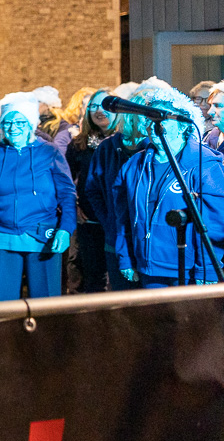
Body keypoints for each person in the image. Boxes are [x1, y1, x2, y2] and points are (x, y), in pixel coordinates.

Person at [114, 88, 224, 287]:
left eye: (161, 119)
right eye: (148, 120)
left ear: (183, 126)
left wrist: (205, 268)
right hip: (147, 268)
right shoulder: (133, 166)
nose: (153, 125)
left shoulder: (203, 164)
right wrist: (126, 257)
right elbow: (123, 218)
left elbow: (215, 221)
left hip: (189, 270)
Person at [0, 93, 76, 301]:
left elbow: (67, 194)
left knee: (45, 306)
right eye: (7, 122)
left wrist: (65, 230)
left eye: (20, 121)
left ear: (30, 123)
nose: (13, 127)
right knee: (2, 307)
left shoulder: (50, 152)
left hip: (42, 235)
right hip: (1, 237)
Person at [84, 84, 150, 291]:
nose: (135, 119)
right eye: (130, 114)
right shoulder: (107, 148)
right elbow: (93, 189)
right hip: (116, 239)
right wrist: (108, 220)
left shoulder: (154, 147)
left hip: (149, 241)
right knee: (124, 301)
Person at [64, 89, 116, 293]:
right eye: (93, 106)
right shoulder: (78, 144)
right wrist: (74, 205)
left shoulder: (125, 144)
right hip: (90, 222)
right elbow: (65, 180)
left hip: (117, 221)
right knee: (93, 279)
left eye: (105, 105)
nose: (99, 110)